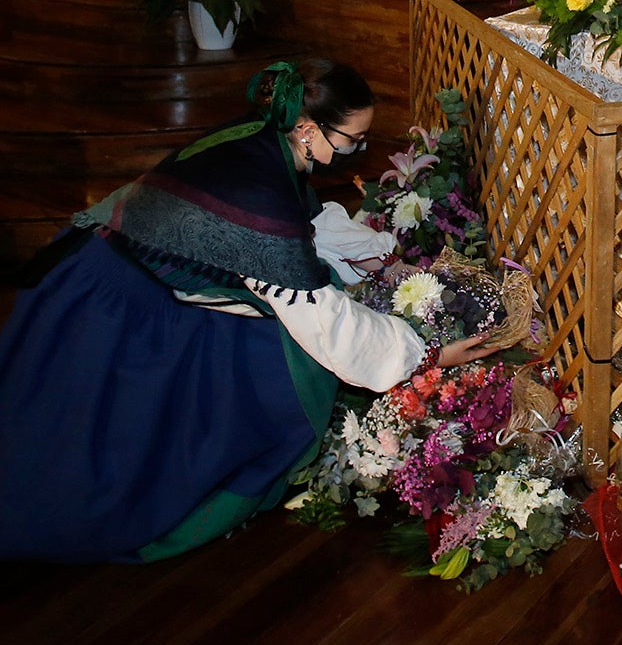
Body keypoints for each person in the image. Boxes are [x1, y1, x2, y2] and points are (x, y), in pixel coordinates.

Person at [0, 58, 494, 563]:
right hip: (110, 305)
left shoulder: (266, 139)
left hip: (101, 269)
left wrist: (381, 260)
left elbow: (304, 220)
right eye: (353, 141)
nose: (357, 151)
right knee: (74, 460)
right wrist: (426, 355)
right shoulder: (262, 190)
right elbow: (324, 322)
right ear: (308, 129)